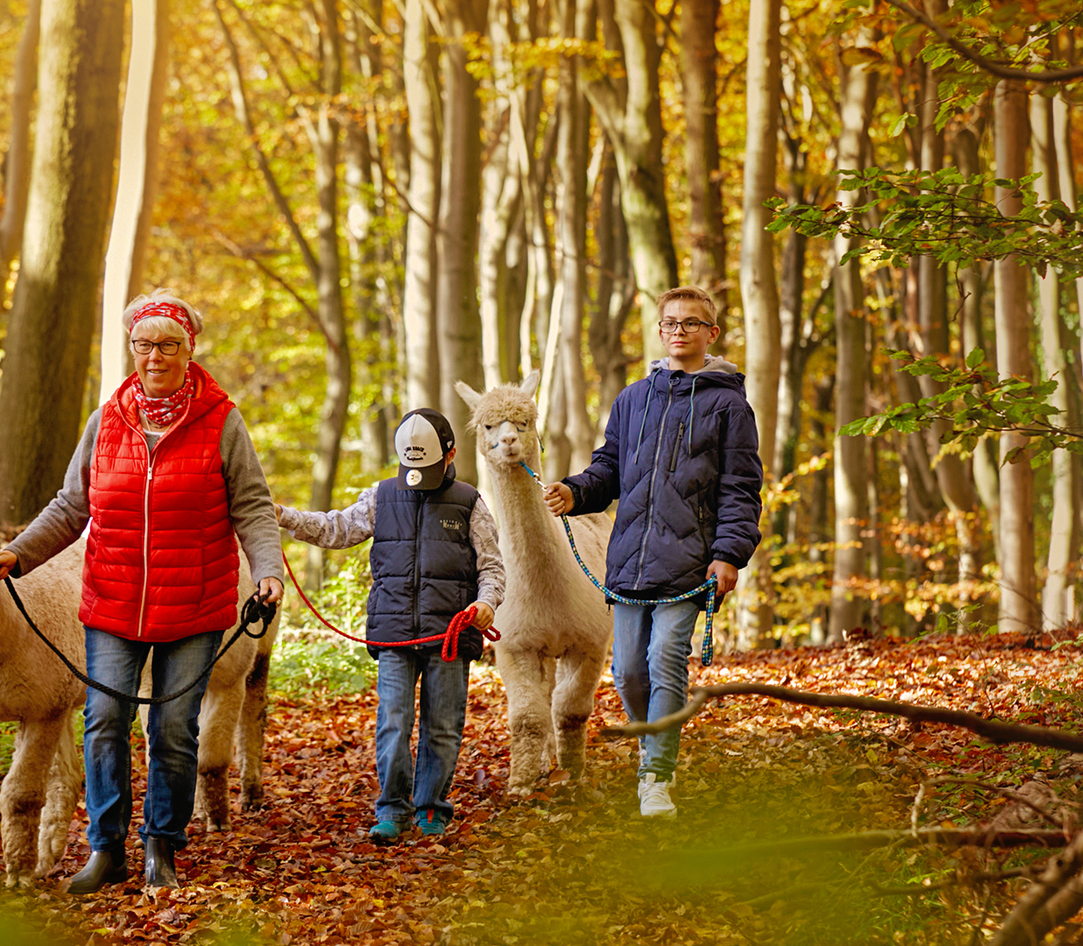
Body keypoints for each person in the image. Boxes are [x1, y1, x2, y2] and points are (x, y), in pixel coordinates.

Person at [0, 290, 284, 892]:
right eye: (145, 344)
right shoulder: (107, 420)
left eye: (168, 345)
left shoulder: (221, 421)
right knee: (104, 721)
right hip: (113, 602)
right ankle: (106, 849)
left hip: (196, 604)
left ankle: (161, 849)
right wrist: (19, 554)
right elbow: (72, 505)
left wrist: (268, 567)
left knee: (174, 727)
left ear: (188, 349)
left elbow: (252, 504)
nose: (155, 355)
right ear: (132, 348)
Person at [542, 286, 762, 819]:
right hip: (630, 563)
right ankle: (652, 745)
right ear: (659, 331)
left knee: (666, 661)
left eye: (691, 323)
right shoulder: (632, 400)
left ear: (712, 334)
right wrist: (575, 492)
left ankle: (655, 777)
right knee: (628, 676)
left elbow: (740, 488)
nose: (679, 330)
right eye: (670, 322)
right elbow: (607, 470)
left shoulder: (729, 405)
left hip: (691, 564)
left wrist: (729, 554)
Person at [276, 409, 505, 844]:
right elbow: (337, 528)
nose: (416, 476)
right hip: (393, 632)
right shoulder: (382, 496)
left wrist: (485, 602)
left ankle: (431, 807)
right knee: (393, 722)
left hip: (451, 636)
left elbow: (492, 566)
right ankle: (392, 809)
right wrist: (286, 517)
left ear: (451, 454)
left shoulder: (470, 502)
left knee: (442, 725)